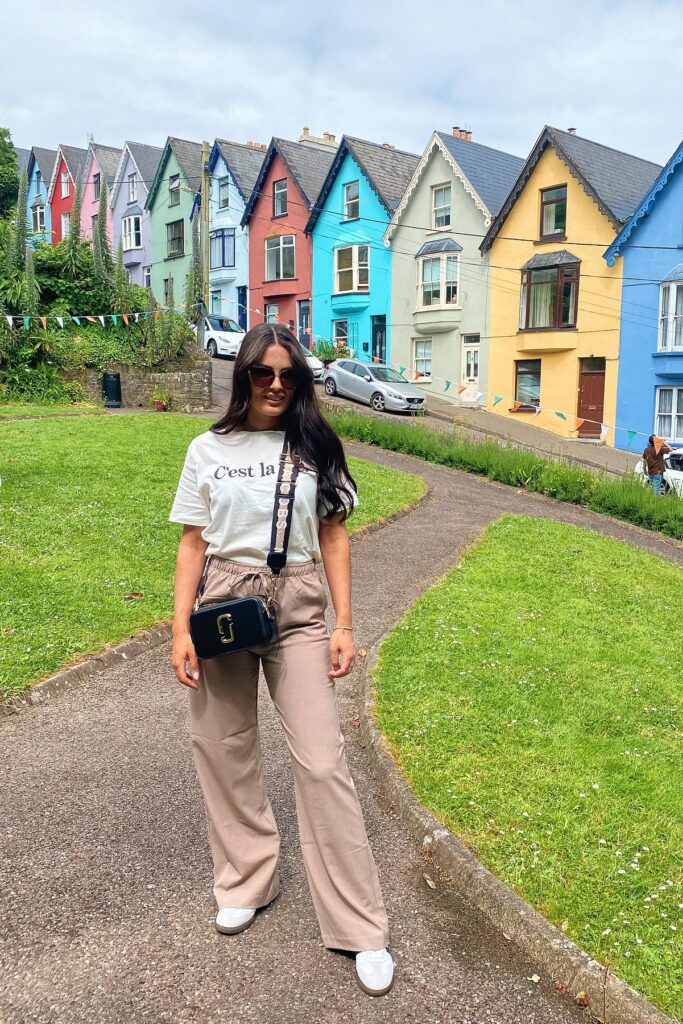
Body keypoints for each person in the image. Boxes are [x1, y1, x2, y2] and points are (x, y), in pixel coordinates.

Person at [168, 322, 393, 996]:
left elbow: (334, 535)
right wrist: (179, 629)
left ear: (300, 381)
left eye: (287, 375)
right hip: (223, 602)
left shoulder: (315, 443)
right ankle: (245, 878)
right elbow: (191, 543)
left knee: (322, 760)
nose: (274, 385)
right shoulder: (207, 448)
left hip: (295, 605)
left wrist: (344, 624)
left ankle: (360, 928)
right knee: (223, 744)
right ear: (242, 376)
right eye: (262, 373)